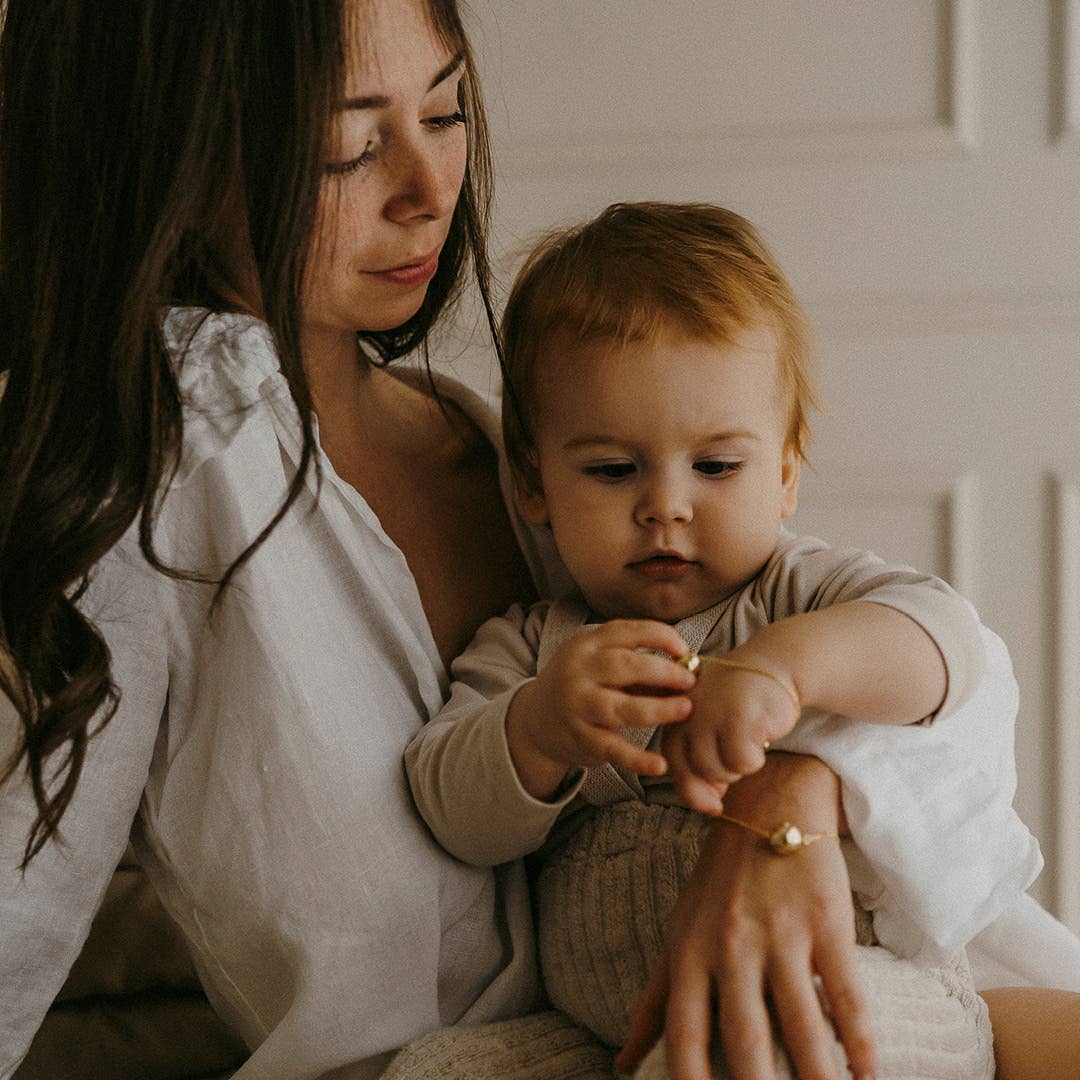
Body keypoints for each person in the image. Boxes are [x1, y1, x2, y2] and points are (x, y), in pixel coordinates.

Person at [0, 3, 1071, 1080]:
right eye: (350, 146)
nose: (428, 192)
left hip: (830, 996)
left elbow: (956, 678)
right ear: (164, 152)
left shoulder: (499, 441)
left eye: (446, 108)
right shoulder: (122, 496)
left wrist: (791, 798)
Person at [403, 201, 1068, 1077]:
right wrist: (535, 732)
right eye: (611, 469)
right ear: (534, 481)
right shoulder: (535, 648)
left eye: (717, 466)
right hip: (610, 1029)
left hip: (846, 990)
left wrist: (785, 669)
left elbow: (945, 642)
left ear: (787, 472)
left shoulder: (802, 592)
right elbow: (448, 807)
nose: (666, 504)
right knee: (430, 1069)